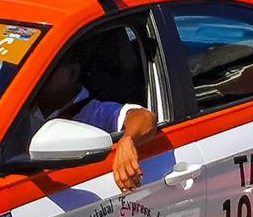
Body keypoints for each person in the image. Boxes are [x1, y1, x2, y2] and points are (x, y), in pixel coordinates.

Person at [27, 54, 157, 192]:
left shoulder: (95, 112)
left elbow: (145, 117)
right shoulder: (20, 105)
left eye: (47, 68)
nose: (37, 76)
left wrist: (128, 140)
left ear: (72, 73)